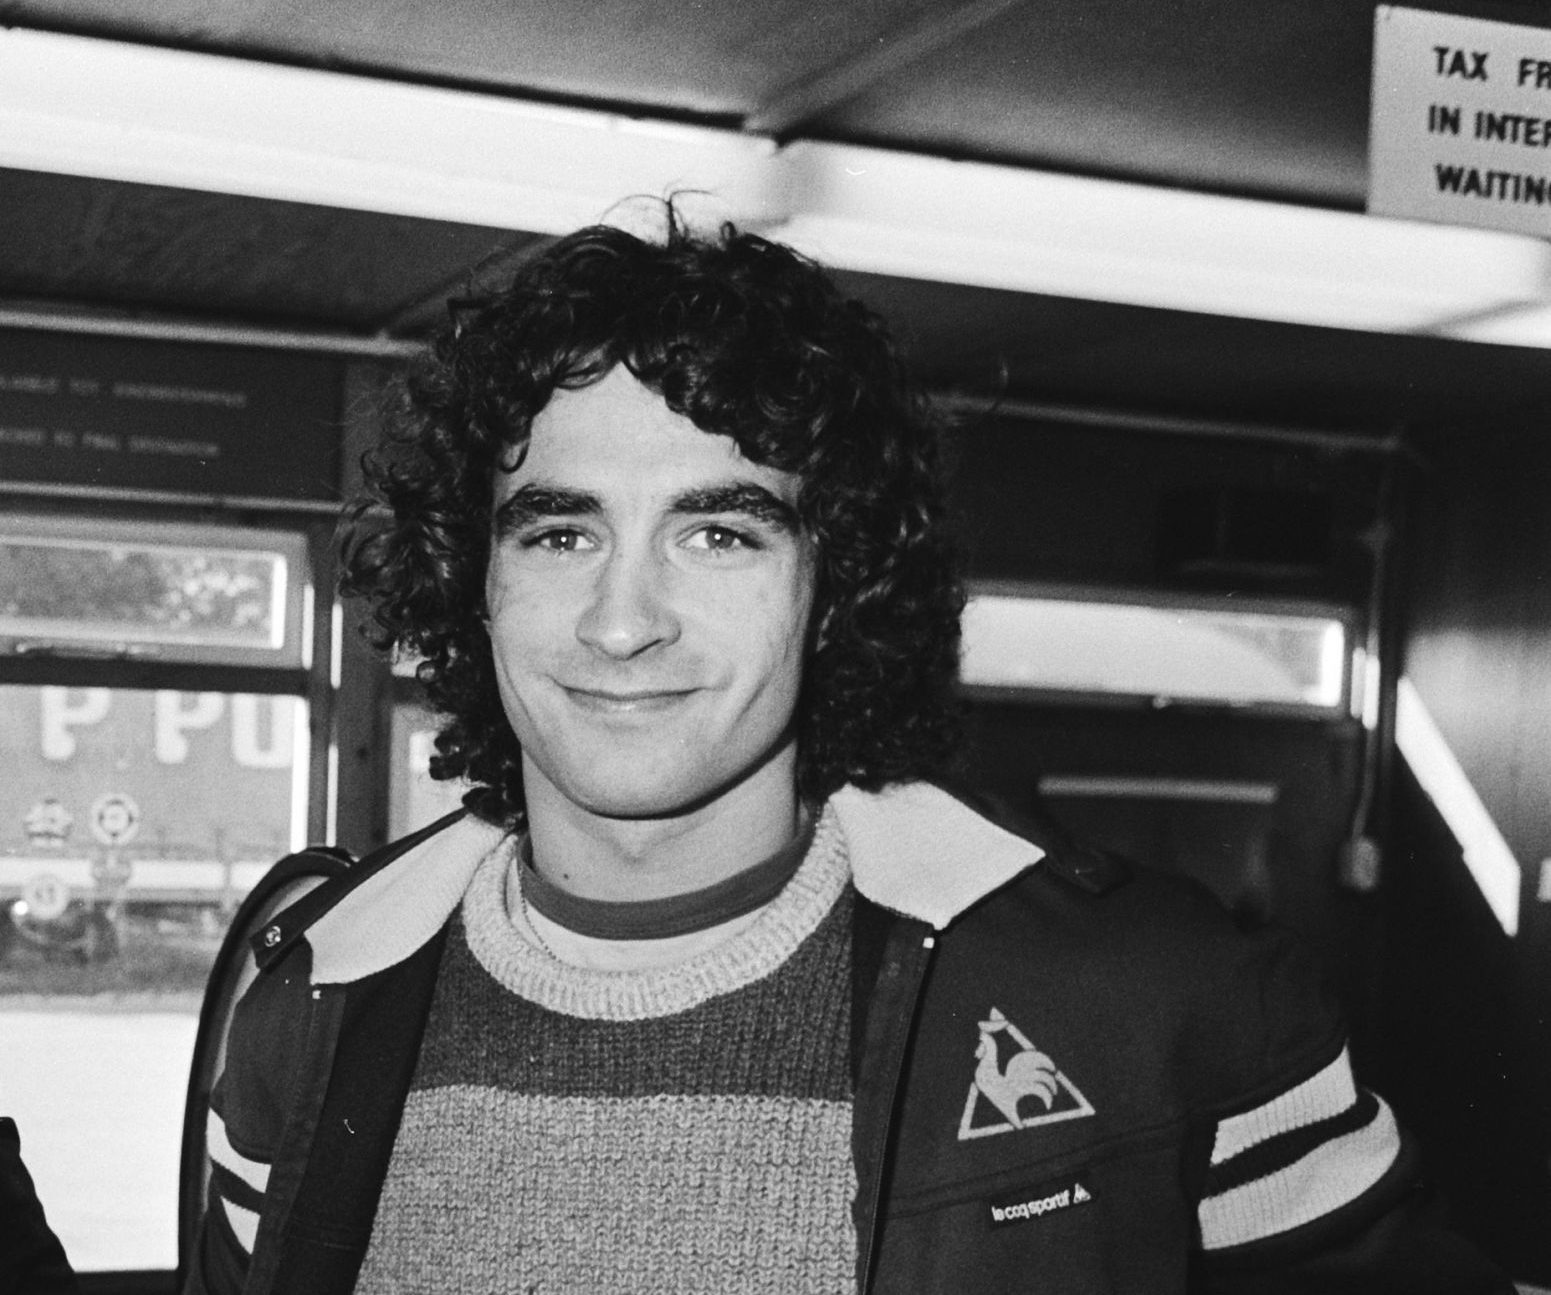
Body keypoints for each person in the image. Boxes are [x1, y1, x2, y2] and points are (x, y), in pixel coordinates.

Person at [184, 210, 1512, 1293]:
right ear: (472, 579)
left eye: (719, 533)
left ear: (836, 586)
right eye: (560, 532)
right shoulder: (312, 1012)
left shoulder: (1164, 1008)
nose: (622, 621)